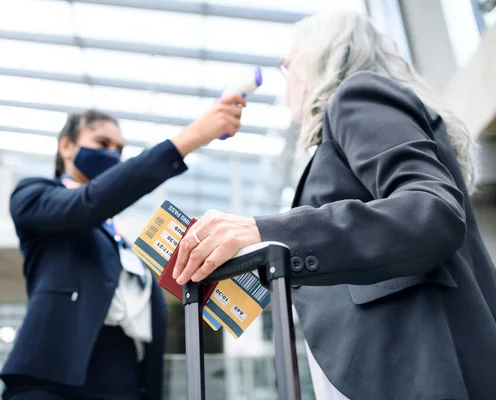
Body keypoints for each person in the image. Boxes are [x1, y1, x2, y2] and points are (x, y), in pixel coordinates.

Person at [172, 12, 496, 400]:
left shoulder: (359, 95)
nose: (286, 79)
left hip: (409, 361)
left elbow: (431, 211)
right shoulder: (361, 112)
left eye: (287, 65)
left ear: (317, 59)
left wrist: (269, 232)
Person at [0, 93, 246, 400]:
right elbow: (88, 203)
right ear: (66, 146)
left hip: (127, 382)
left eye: (119, 149)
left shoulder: (122, 244)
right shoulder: (34, 195)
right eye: (103, 144)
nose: (113, 155)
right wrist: (192, 137)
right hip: (52, 379)